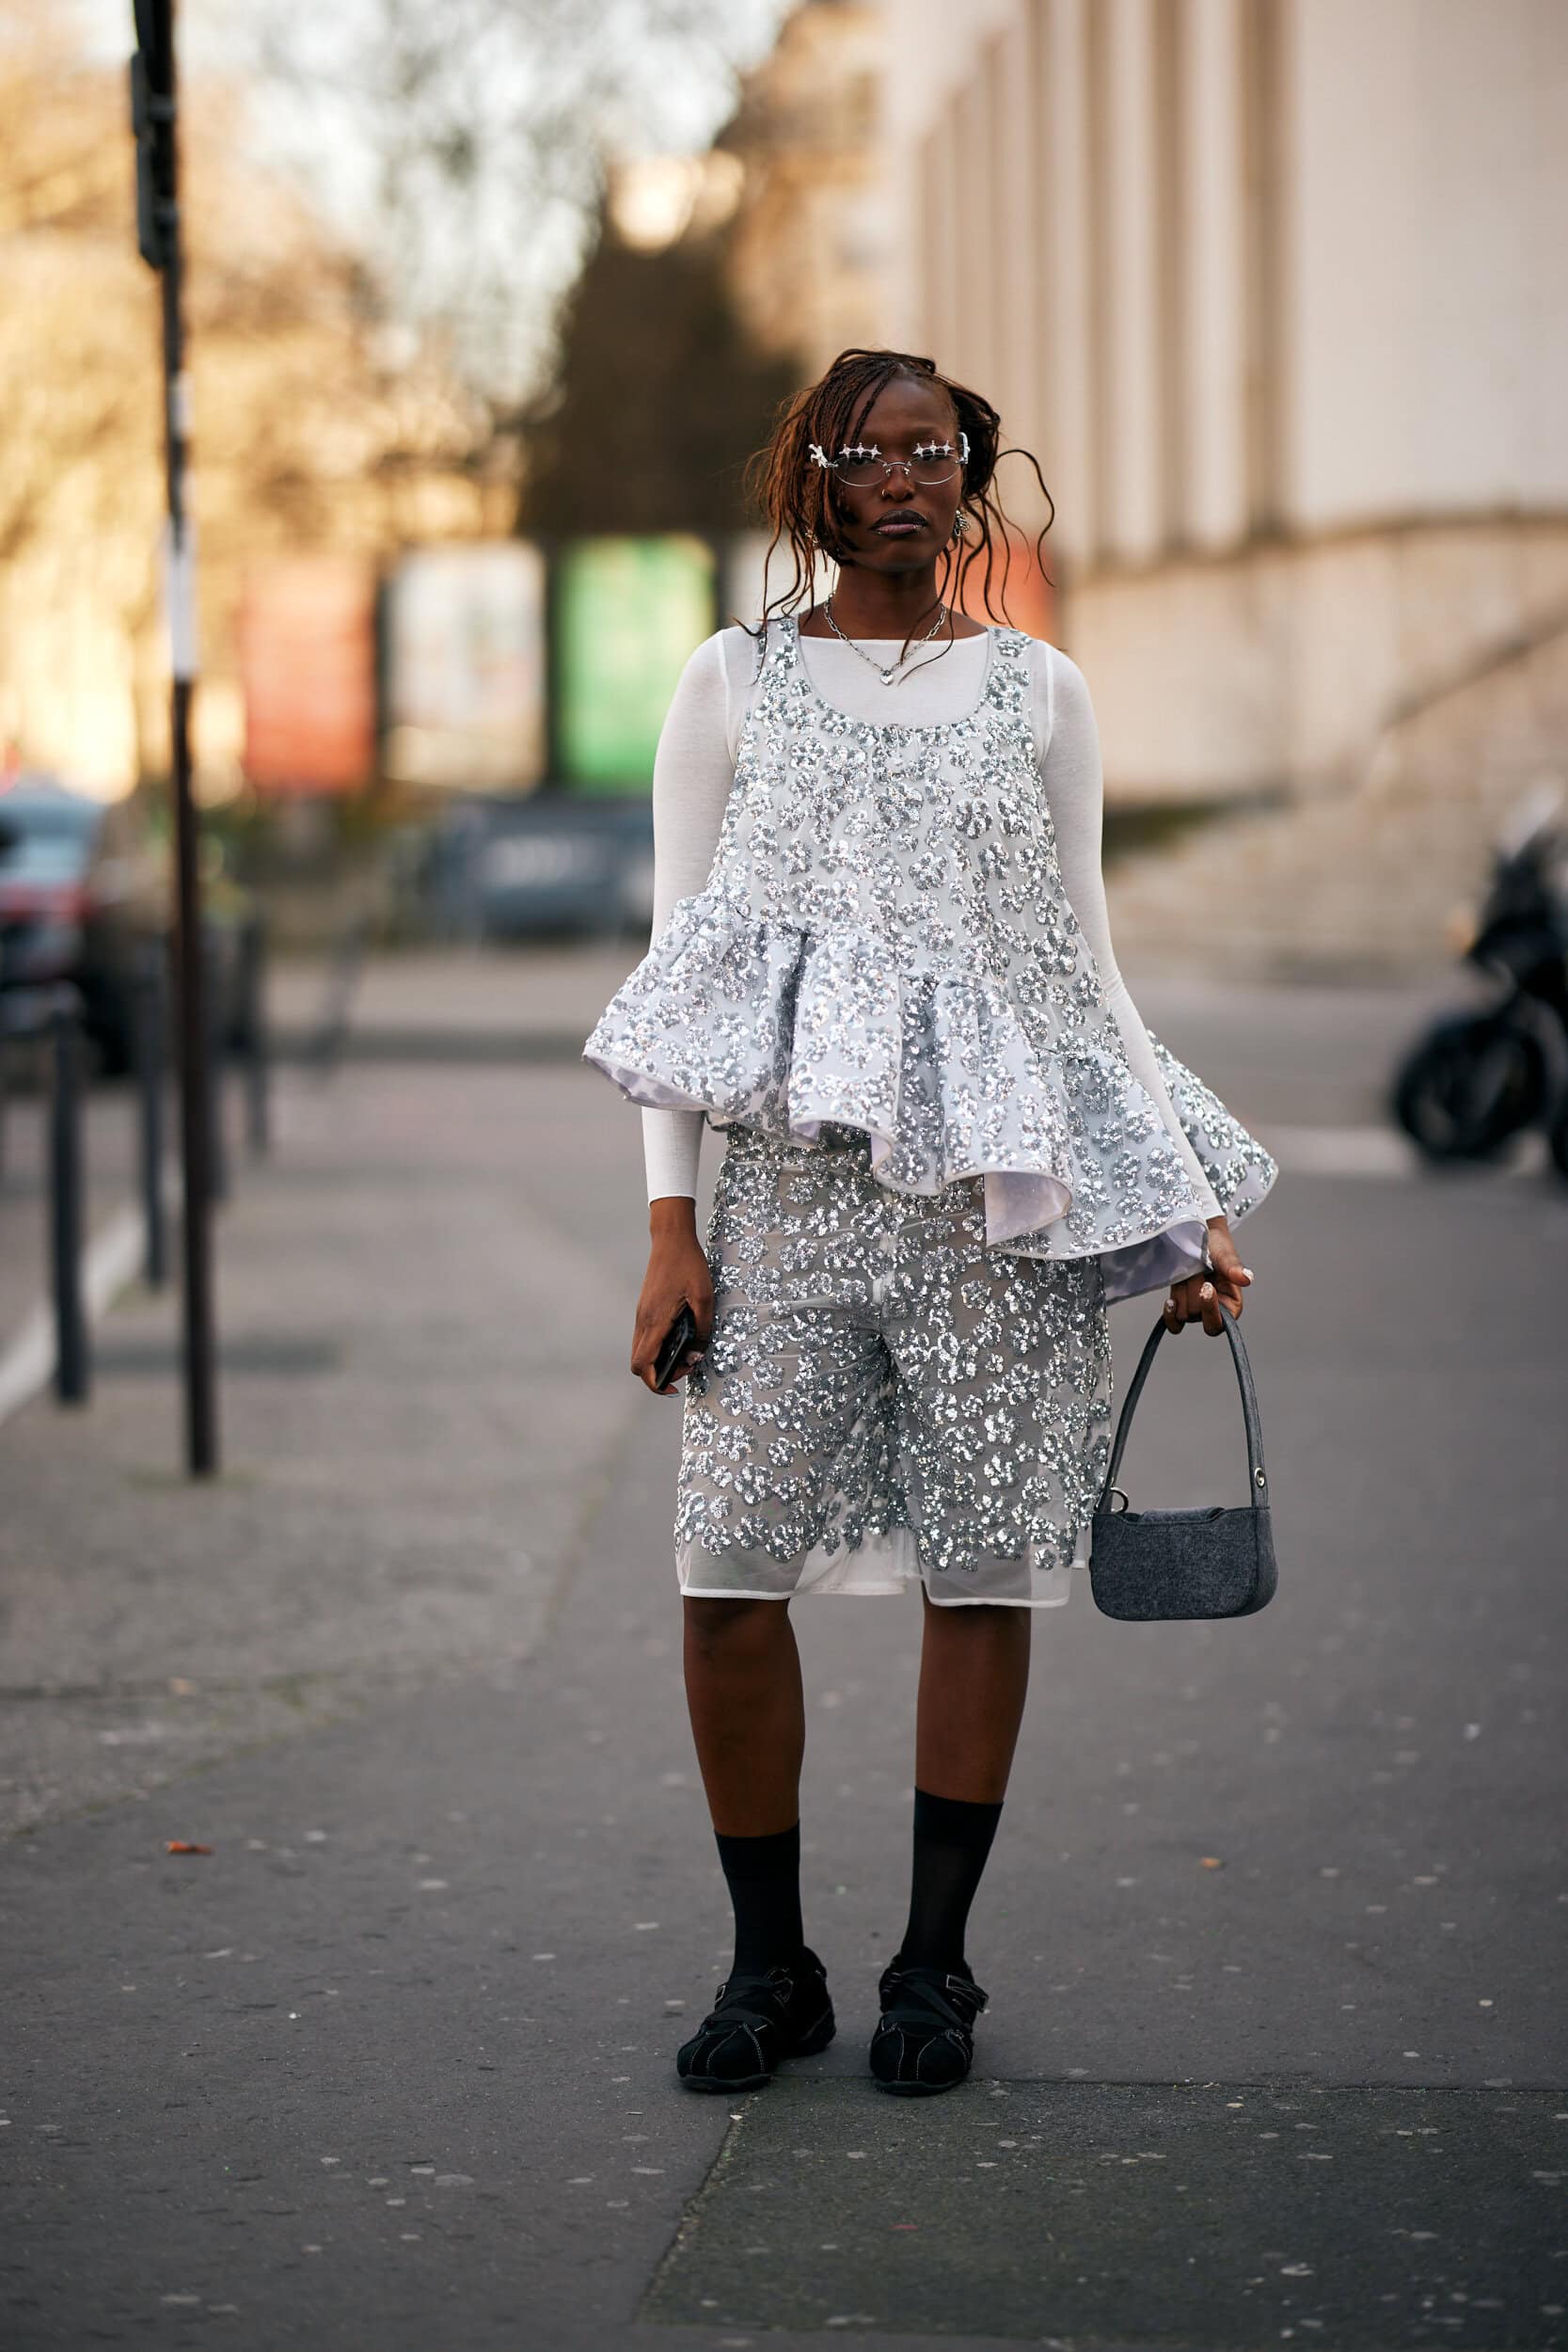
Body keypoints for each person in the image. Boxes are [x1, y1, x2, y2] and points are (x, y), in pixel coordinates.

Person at [583, 347, 1277, 2097]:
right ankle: (772, 1968)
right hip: (792, 1205)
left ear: (969, 476)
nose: (906, 475)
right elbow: (684, 979)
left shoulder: (1042, 694)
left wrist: (1180, 1208)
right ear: (814, 475)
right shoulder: (729, 687)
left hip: (998, 1216)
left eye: (935, 450)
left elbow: (1085, 974)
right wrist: (675, 1229)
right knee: (727, 1571)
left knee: (984, 1582)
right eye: (870, 450)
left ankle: (932, 1970)